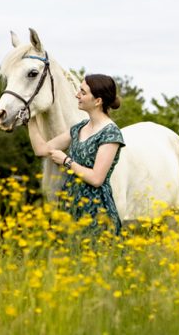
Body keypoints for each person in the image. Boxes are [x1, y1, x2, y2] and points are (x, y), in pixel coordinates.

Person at [27, 74, 125, 237]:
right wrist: (30, 118)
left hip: (95, 209)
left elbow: (96, 178)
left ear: (98, 101)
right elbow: (41, 149)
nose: (77, 95)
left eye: (83, 92)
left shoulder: (110, 133)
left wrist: (66, 161)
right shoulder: (79, 128)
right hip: (69, 204)